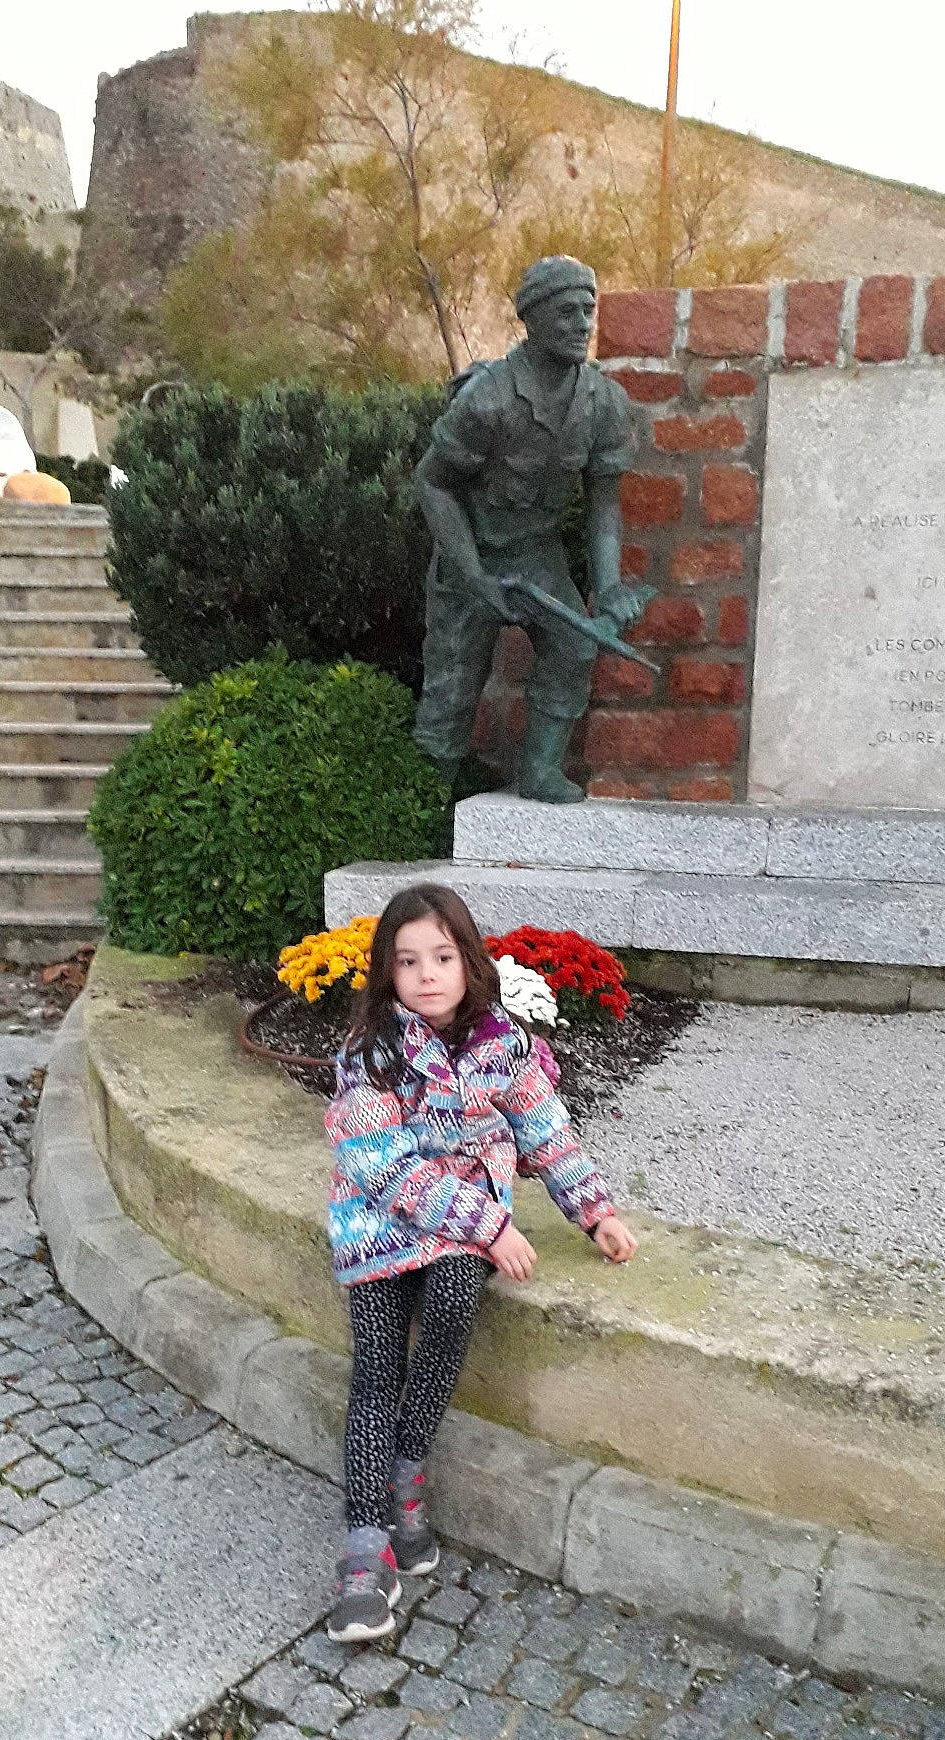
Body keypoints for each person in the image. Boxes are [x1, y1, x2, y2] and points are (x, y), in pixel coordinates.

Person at [324, 882, 637, 1643]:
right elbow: (384, 1168)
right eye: (407, 962)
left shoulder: (507, 1047)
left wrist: (591, 1209)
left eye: (441, 957)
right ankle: (365, 1544)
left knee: (456, 1297)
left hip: (463, 1225)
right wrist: (492, 1223)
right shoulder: (370, 1056)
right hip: (379, 1222)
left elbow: (547, 1134)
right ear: (385, 973)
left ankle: (407, 1471)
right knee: (375, 1363)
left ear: (468, 962)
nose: (426, 975)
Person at [412, 253, 651, 804]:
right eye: (568, 313)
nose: (582, 326)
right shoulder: (489, 398)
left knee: (573, 648)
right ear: (533, 318)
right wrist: (473, 577)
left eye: (589, 312)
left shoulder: (602, 401)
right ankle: (423, 806)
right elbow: (433, 484)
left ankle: (540, 769)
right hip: (470, 558)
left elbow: (603, 501)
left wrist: (609, 586)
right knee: (452, 688)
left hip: (538, 558)